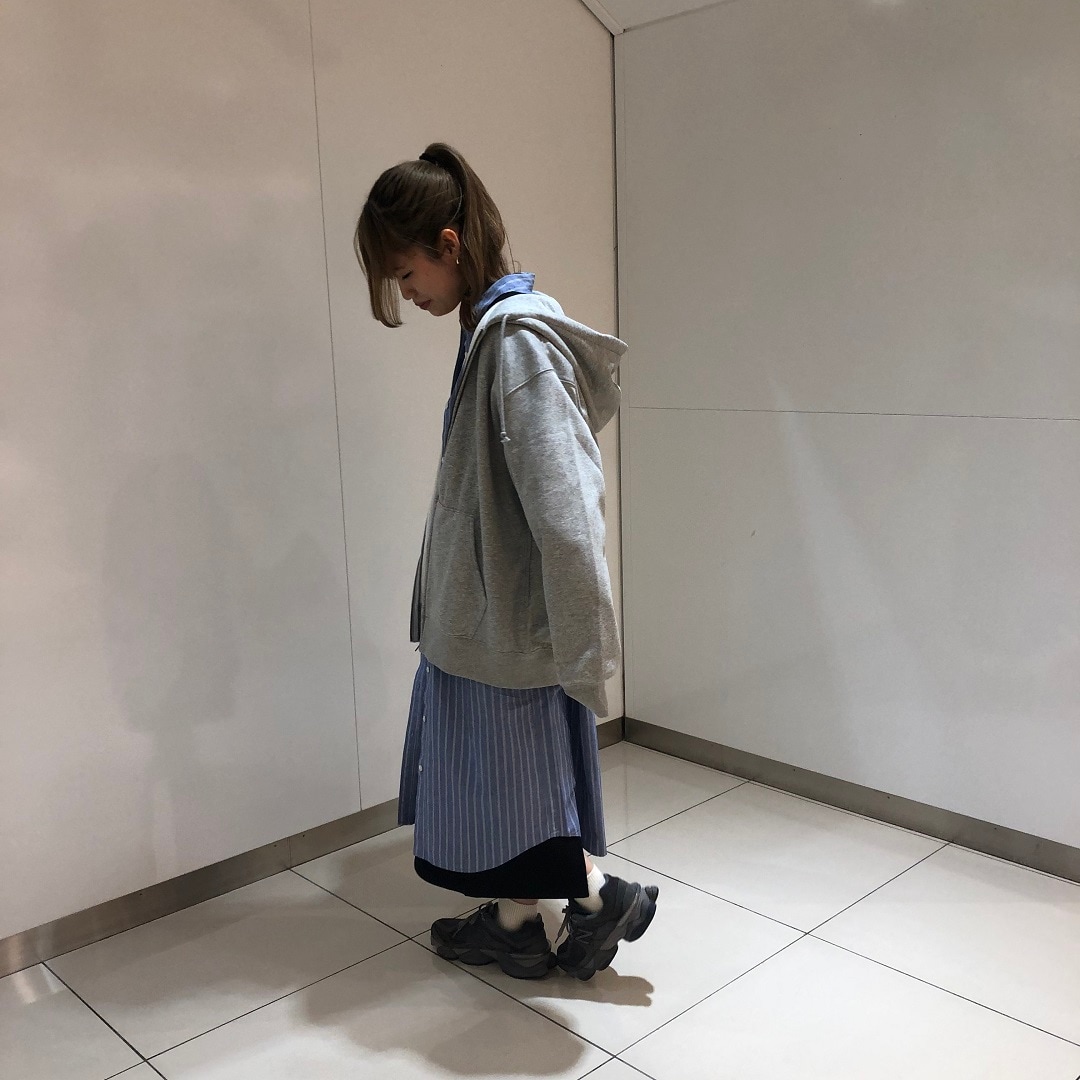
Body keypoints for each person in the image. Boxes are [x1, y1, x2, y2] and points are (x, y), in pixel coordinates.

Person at [354, 142, 658, 981]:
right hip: (490, 622)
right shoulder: (488, 334)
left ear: (449, 245)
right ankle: (522, 925)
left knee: (512, 793)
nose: (406, 292)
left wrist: (588, 644)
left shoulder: (516, 344)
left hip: (507, 632)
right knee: (506, 791)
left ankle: (600, 897)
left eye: (406, 271)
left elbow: (567, 509)